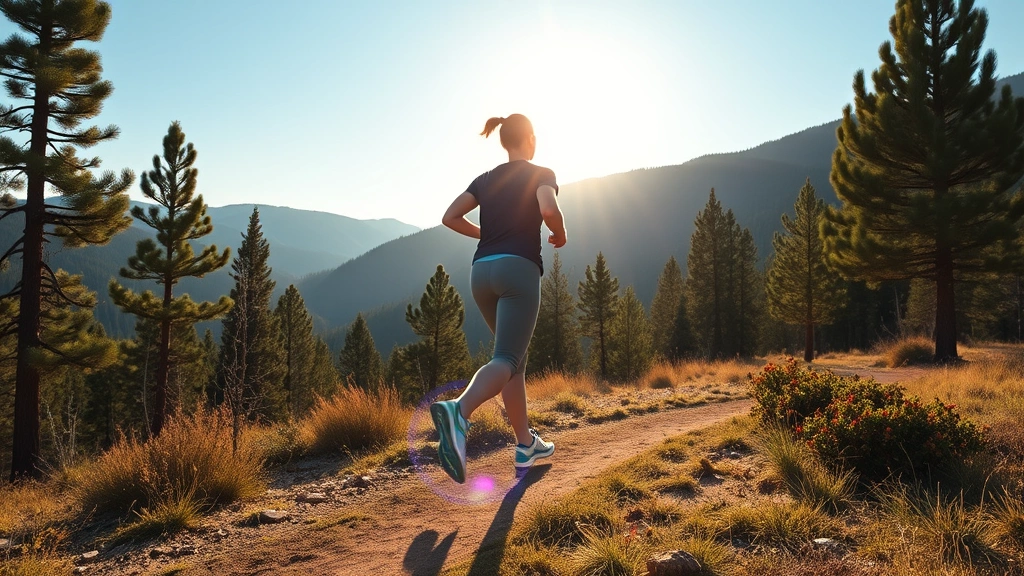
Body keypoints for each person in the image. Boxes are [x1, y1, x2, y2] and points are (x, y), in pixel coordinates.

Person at [430, 113, 567, 484]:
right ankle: (458, 412)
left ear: (504, 141)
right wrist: (560, 232)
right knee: (507, 358)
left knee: (512, 362)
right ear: (530, 139)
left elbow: (449, 217)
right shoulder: (541, 173)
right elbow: (549, 209)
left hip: (481, 273)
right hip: (518, 270)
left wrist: (487, 234)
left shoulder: (485, 179)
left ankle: (526, 444)